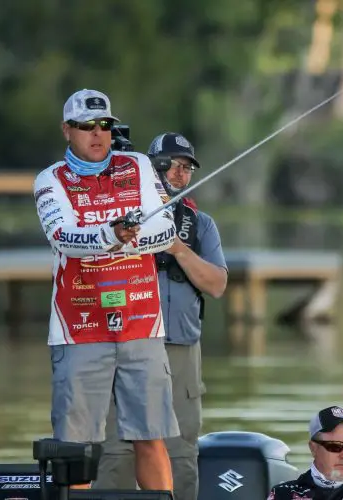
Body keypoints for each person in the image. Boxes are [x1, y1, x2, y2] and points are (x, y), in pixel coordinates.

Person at [33, 89, 180, 491]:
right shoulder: (50, 179)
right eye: (86, 126)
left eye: (104, 125)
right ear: (67, 130)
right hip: (79, 329)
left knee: (151, 437)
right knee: (75, 448)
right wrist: (111, 234)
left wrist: (126, 239)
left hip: (141, 324)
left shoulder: (139, 164)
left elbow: (166, 231)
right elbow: (62, 236)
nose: (97, 134)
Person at [95, 132, 228, 500]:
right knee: (118, 450)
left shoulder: (201, 224)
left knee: (181, 450)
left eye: (187, 167)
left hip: (182, 349)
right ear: (150, 169)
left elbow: (217, 285)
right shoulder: (119, 217)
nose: (180, 173)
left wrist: (177, 248)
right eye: (171, 165)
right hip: (126, 346)